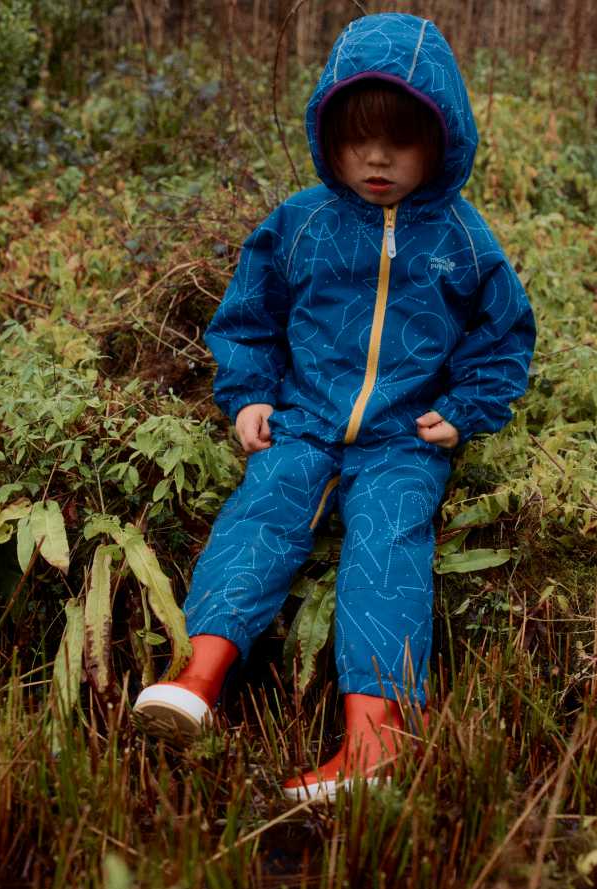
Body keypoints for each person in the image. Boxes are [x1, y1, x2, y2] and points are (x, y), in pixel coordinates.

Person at [132, 12, 535, 800]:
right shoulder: (302, 222)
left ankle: (376, 742)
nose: (376, 158)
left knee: (388, 546)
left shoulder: (463, 237)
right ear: (328, 135)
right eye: (355, 139)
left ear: (443, 139)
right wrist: (248, 393)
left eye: (401, 140)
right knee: (263, 512)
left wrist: (468, 406)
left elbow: (504, 334)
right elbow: (249, 316)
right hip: (304, 419)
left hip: (403, 437)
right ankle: (198, 677)